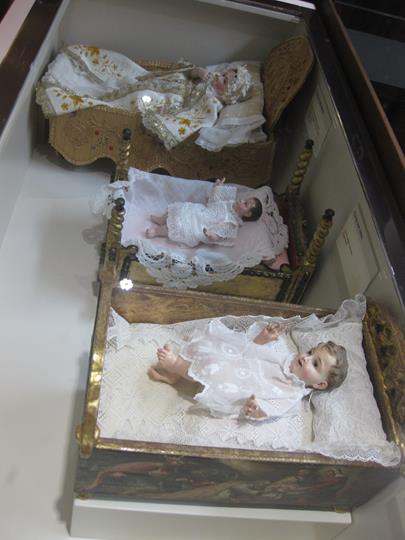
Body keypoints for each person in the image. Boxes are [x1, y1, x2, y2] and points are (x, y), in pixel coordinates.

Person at [35, 44, 262, 151]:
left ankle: (92, 97)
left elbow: (197, 116)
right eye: (224, 74)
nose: (220, 76)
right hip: (163, 83)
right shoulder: (209, 79)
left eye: (225, 81)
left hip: (167, 102)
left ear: (229, 93)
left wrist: (182, 101)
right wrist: (198, 73)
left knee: (141, 96)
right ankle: (88, 80)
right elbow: (187, 72)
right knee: (129, 77)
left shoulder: (214, 102)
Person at [147, 320, 348, 421]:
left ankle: (176, 365)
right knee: (214, 348)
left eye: (315, 364)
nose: (306, 358)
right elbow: (254, 352)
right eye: (311, 352)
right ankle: (177, 373)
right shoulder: (288, 359)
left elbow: (273, 410)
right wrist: (263, 339)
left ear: (319, 384)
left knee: (213, 369)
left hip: (236, 384)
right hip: (239, 362)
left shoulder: (291, 394)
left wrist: (257, 408)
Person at [145, 177, 263, 247]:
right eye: (244, 200)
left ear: (247, 214)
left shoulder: (232, 222)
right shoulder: (229, 202)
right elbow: (214, 201)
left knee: (179, 226)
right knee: (179, 209)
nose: (241, 200)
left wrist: (212, 234)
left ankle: (157, 231)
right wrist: (217, 188)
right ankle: (161, 219)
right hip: (199, 212)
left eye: (245, 204)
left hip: (200, 226)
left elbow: (220, 235)